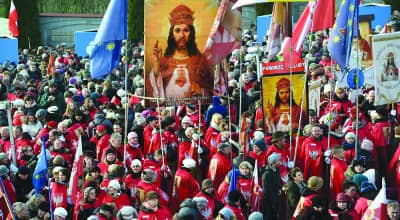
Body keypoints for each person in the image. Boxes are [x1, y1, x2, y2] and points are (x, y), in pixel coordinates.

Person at [148, 4, 213, 101]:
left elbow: (212, 89)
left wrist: (201, 91)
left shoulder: (200, 61)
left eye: (186, 30)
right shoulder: (164, 61)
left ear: (191, 33)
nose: (182, 35)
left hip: (194, 108)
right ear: (172, 34)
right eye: (177, 30)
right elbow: (152, 90)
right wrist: (157, 62)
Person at [262, 152, 283, 220]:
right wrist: (273, 200)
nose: (280, 161)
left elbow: (279, 180)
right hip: (269, 201)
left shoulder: (277, 170)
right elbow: (266, 190)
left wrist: (280, 188)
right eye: (278, 160)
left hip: (276, 198)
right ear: (273, 162)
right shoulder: (267, 174)